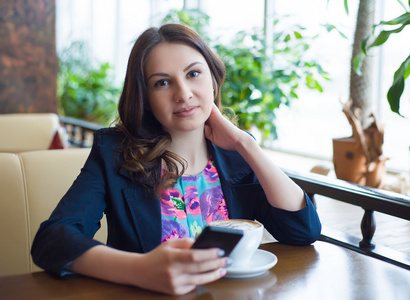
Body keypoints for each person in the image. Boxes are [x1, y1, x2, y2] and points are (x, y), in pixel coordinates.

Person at [31, 23, 321, 296]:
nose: (183, 94)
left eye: (193, 74)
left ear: (213, 78)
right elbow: (52, 240)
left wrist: (245, 143)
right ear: (144, 97)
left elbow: (302, 230)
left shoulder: (237, 155)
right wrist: (141, 269)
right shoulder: (114, 152)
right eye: (162, 83)